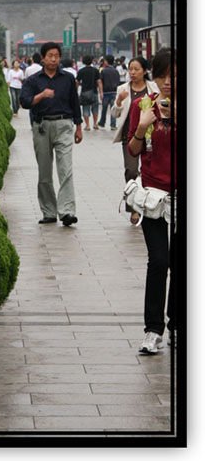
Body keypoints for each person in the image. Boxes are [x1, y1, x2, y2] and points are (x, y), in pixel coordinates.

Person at [127, 48, 176, 354]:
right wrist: (144, 125)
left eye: (173, 75)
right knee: (158, 261)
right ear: (154, 77)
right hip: (154, 195)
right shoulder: (141, 105)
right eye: (162, 75)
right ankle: (153, 329)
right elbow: (133, 150)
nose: (168, 82)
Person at [20, 42, 83, 226]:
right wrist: (40, 96)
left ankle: (67, 211)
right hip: (42, 126)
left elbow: (75, 102)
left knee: (66, 170)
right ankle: (49, 211)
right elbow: (24, 102)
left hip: (64, 124)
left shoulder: (68, 78)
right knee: (44, 171)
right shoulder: (34, 80)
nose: (54, 59)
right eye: (50, 56)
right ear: (43, 58)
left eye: (56, 55)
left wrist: (78, 126)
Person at [111, 57, 159, 222]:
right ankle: (133, 208)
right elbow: (115, 113)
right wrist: (118, 101)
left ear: (145, 71)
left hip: (151, 135)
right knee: (131, 170)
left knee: (150, 171)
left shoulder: (154, 88)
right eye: (130, 69)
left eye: (136, 69)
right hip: (130, 136)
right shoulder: (122, 89)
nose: (132, 72)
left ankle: (151, 204)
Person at [76, 54, 103, 131]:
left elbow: (77, 82)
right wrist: (101, 92)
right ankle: (95, 124)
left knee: (85, 109)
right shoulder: (95, 70)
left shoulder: (81, 71)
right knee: (95, 108)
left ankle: (87, 125)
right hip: (94, 92)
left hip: (84, 92)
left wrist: (75, 92)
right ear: (92, 61)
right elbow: (99, 81)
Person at [98, 54, 120, 129]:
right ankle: (113, 125)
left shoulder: (103, 70)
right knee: (113, 109)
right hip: (114, 92)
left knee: (104, 108)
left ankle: (102, 122)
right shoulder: (115, 70)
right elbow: (118, 81)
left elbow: (101, 81)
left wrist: (101, 92)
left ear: (106, 61)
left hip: (106, 92)